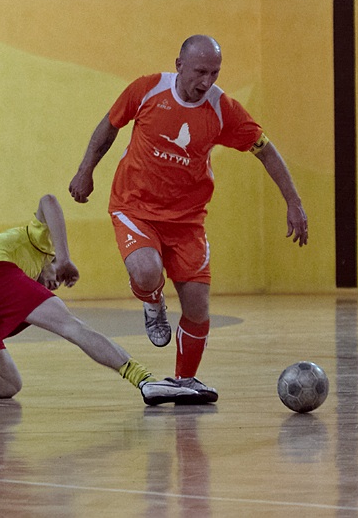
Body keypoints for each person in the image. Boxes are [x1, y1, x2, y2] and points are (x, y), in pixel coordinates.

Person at [68, 34, 308, 401]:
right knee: (146, 271)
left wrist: (293, 202)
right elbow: (109, 126)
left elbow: (266, 151)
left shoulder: (223, 109)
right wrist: (86, 170)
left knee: (197, 305)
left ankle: (184, 381)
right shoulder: (147, 90)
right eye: (199, 72)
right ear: (179, 65)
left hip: (187, 221)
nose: (206, 81)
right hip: (135, 207)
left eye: (214, 73)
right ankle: (153, 302)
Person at [0, 194, 199, 407]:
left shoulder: (9, 273)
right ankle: (143, 378)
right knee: (72, 326)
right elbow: (49, 201)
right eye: (54, 275)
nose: (53, 285)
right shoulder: (37, 243)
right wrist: (62, 258)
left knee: (8, 385)